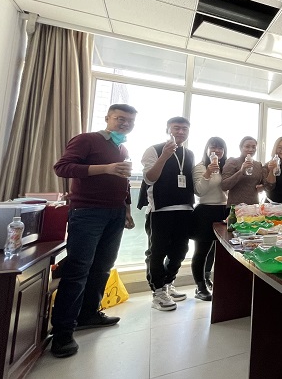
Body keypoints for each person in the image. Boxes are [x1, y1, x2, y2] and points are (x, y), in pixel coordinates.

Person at [50, 104, 137, 358]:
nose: (125, 124)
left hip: (115, 213)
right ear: (107, 118)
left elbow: (123, 181)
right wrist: (105, 168)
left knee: (102, 267)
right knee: (78, 269)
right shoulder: (86, 140)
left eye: (130, 121)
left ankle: (89, 313)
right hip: (88, 213)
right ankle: (62, 332)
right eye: (120, 118)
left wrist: (127, 210)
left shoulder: (122, 148)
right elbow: (62, 168)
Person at [141, 116, 195, 311]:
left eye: (184, 129)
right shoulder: (154, 149)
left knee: (180, 251)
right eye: (176, 128)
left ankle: (167, 283)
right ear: (168, 129)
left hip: (185, 209)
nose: (180, 132)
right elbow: (149, 178)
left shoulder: (189, 153)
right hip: (160, 210)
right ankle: (157, 292)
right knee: (157, 251)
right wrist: (164, 156)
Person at [191, 137, 228, 301]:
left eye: (220, 148)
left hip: (224, 210)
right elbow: (199, 191)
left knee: (216, 250)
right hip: (205, 211)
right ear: (207, 149)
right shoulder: (200, 167)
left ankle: (207, 278)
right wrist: (208, 172)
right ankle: (200, 287)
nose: (217, 151)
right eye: (213, 147)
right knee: (202, 251)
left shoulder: (225, 167)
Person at [221, 136, 276, 206]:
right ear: (241, 148)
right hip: (235, 207)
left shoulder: (258, 165)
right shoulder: (232, 162)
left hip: (253, 207)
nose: (251, 149)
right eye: (247, 146)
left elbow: (269, 187)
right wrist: (241, 171)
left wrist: (271, 171)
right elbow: (224, 186)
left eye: (253, 147)